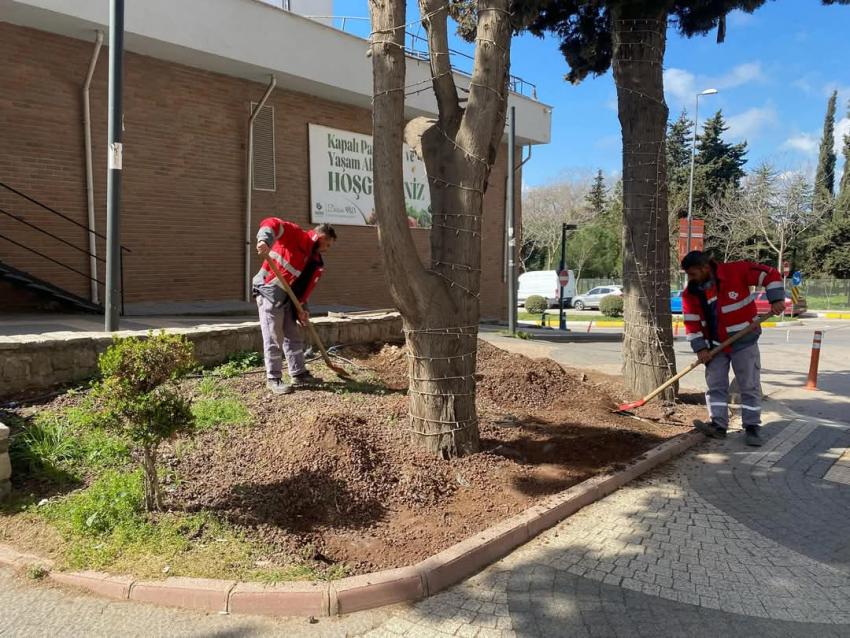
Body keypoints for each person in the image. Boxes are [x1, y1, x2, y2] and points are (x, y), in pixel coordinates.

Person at [680, 251, 785, 447]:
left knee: (749, 385)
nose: (690, 279)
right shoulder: (691, 294)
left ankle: (752, 427)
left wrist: (776, 299)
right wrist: (700, 349)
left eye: (692, 274)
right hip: (714, 348)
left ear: (704, 268)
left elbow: (770, 274)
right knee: (715, 387)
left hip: (744, 342)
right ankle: (718, 426)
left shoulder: (737, 271)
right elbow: (692, 325)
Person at [253, 218, 336, 395]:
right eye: (327, 245)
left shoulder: (313, 260)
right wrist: (264, 240)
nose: (326, 250)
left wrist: (303, 309)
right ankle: (273, 378)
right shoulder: (296, 236)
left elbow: (302, 287)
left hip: (289, 298)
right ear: (321, 237)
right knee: (274, 336)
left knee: (293, 336)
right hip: (269, 290)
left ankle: (298, 374)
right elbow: (272, 222)